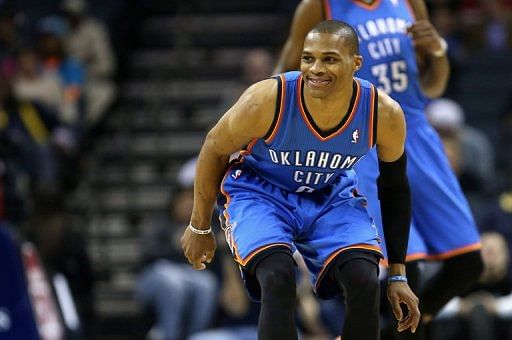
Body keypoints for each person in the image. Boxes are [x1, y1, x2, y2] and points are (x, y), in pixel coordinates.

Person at [181, 20, 420, 340]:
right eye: (308, 58)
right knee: (278, 278)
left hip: (330, 193)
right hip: (261, 192)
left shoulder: (383, 113)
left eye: (330, 59)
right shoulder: (267, 99)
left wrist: (398, 275)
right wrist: (199, 225)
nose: (315, 69)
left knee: (364, 280)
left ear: (356, 63)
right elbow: (214, 147)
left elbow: (394, 188)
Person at [274, 1, 483, 336]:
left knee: (468, 263)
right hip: (363, 136)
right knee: (407, 267)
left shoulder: (410, 2)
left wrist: (438, 52)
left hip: (416, 129)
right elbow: (287, 76)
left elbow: (432, 86)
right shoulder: (318, 6)